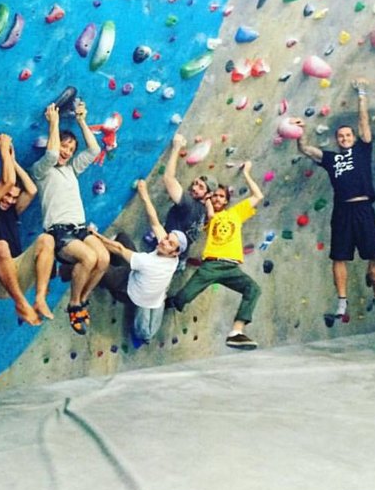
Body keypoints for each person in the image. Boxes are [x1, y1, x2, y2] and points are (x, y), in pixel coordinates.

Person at [293, 78, 375, 320]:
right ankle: (342, 302)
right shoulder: (331, 159)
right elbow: (305, 149)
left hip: (364, 208)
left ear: (354, 138)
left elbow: (363, 122)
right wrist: (299, 132)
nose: (345, 138)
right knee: (339, 256)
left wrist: (362, 94)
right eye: (341, 136)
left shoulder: (362, 149)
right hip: (342, 212)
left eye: (348, 135)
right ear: (337, 140)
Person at [31, 101, 109, 335]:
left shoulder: (72, 170)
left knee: (103, 259)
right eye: (65, 146)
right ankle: (74, 303)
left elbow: (95, 150)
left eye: (71, 149)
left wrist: (81, 120)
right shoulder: (41, 170)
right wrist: (54, 123)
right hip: (60, 233)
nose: (66, 151)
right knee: (88, 257)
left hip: (81, 229)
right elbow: (52, 153)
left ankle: (83, 299)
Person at [167, 161, 264, 350]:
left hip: (231, 267)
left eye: (222, 196)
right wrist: (209, 200)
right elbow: (211, 217)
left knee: (253, 289)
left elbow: (258, 195)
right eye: (215, 196)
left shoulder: (236, 213)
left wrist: (246, 173)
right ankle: (165, 303)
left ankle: (236, 332)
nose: (218, 199)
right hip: (211, 266)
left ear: (227, 200)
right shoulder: (205, 215)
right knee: (182, 298)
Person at [0, 133, 55, 325]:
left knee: (47, 240)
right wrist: (4, 150)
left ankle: (40, 298)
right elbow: (7, 182)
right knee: (1, 246)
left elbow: (32, 190)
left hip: (15, 276)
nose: (9, 200)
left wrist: (13, 161)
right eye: (6, 195)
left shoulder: (12, 211)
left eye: (13, 198)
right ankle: (21, 304)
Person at [94, 180, 188, 345]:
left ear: (175, 252)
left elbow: (120, 250)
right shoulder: (173, 257)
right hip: (147, 288)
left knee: (99, 262)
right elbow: (155, 222)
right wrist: (144, 194)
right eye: (167, 238)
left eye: (170, 244)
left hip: (127, 290)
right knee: (123, 237)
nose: (164, 242)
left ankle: (102, 279)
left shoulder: (148, 262)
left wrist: (95, 236)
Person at [154, 133, 216, 263]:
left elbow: (168, 178)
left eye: (201, 188)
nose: (194, 188)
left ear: (208, 194)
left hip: (168, 254)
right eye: (195, 183)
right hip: (178, 257)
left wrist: (176, 147)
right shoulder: (204, 210)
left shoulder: (189, 204)